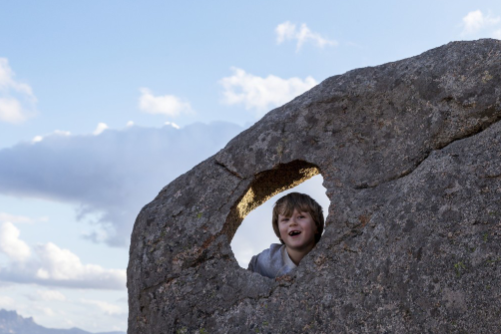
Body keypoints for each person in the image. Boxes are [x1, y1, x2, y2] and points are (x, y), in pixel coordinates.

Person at [247, 192, 324, 278]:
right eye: (285, 219)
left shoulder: (329, 255)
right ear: (279, 232)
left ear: (316, 225)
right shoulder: (267, 261)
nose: (292, 223)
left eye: (301, 217)